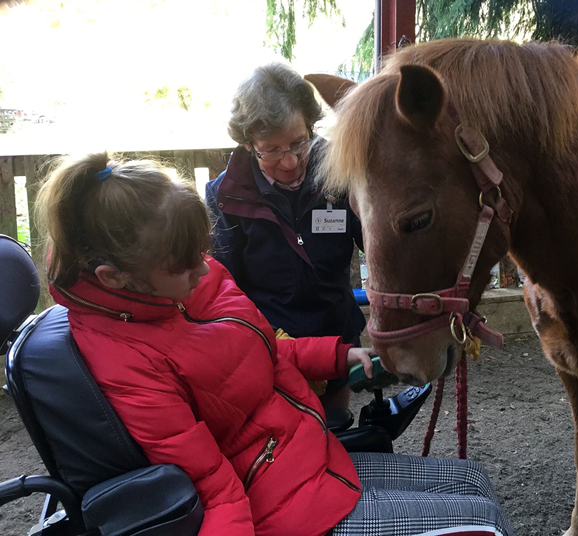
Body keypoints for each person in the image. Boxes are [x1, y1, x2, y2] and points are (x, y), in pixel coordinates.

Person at [36, 153, 513, 536]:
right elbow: (209, 485)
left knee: (474, 480)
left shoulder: (173, 286)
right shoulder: (126, 363)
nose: (205, 270)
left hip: (306, 455)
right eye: (184, 265)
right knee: (483, 523)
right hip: (280, 508)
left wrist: (335, 354)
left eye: (200, 252)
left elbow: (258, 352)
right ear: (113, 278)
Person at [205, 62, 364, 411]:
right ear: (249, 144)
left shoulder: (342, 169)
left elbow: (377, 243)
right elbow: (225, 288)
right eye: (272, 150)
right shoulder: (225, 197)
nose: (290, 161)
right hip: (275, 347)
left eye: (298, 143)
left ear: (310, 126)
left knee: (337, 427)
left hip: (337, 333)